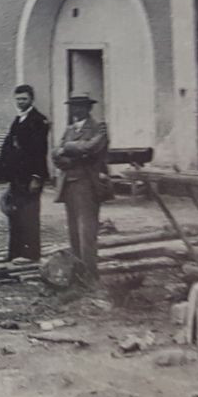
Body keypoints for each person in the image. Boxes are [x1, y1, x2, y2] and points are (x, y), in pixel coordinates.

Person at [53, 93, 110, 285]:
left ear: (87, 108)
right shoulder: (69, 129)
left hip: (87, 183)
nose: (74, 109)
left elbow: (92, 148)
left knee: (87, 232)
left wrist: (68, 148)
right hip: (68, 183)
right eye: (72, 105)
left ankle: (90, 275)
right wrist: (70, 156)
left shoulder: (98, 128)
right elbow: (55, 155)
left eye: (78, 106)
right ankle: (77, 273)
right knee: (74, 232)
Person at [0, 84, 52, 262]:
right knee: (15, 213)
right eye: (18, 99)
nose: (21, 102)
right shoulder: (17, 120)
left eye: (24, 99)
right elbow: (8, 145)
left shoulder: (39, 121)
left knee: (29, 215)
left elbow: (39, 151)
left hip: (30, 176)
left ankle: (31, 254)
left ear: (31, 100)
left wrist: (37, 176)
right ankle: (15, 252)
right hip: (17, 176)